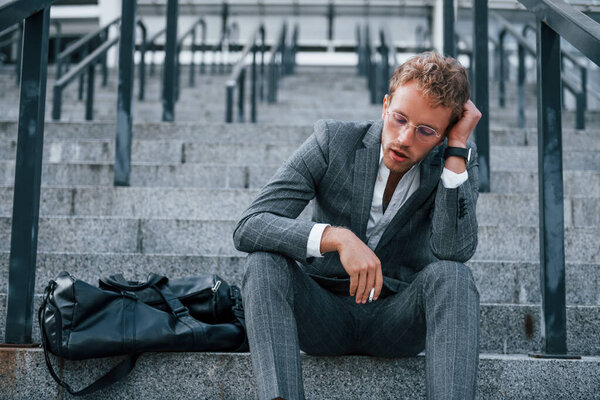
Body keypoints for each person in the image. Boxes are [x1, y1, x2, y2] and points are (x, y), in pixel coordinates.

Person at [233, 51, 482, 400]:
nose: (405, 138)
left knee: (453, 277)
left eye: (426, 131)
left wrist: (456, 150)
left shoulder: (454, 165)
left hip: (397, 320)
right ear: (384, 106)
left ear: (443, 135)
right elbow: (250, 225)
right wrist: (335, 237)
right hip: (323, 312)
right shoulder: (334, 142)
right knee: (263, 263)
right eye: (399, 119)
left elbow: (453, 252)